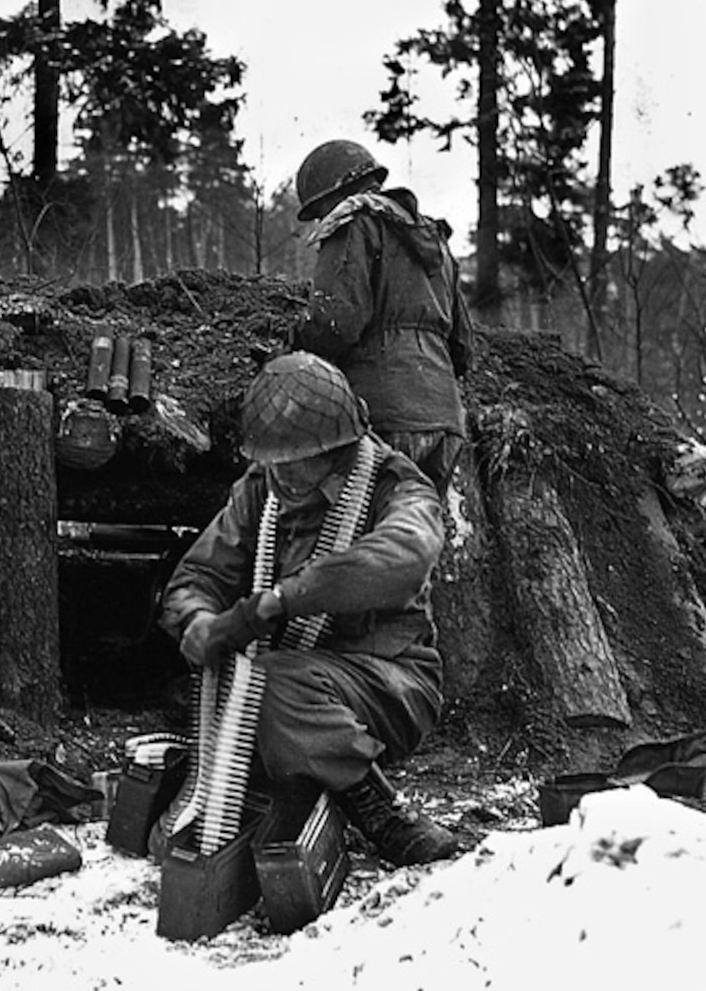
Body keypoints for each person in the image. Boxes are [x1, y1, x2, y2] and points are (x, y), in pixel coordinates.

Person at [159, 351, 456, 866]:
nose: (283, 476)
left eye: (297, 460)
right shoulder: (262, 489)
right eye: (275, 460)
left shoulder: (395, 484)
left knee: (270, 685)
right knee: (213, 692)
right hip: (293, 678)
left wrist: (280, 601)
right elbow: (199, 576)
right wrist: (199, 622)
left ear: (340, 449)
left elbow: (403, 556)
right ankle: (300, 764)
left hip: (387, 682)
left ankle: (377, 807)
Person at [289, 138, 475, 499]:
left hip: (383, 417)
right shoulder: (434, 239)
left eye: (318, 211)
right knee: (413, 542)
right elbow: (464, 349)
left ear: (333, 194)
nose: (320, 220)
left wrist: (292, 344)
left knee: (362, 541)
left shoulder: (353, 222)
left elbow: (335, 325)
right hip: (444, 421)